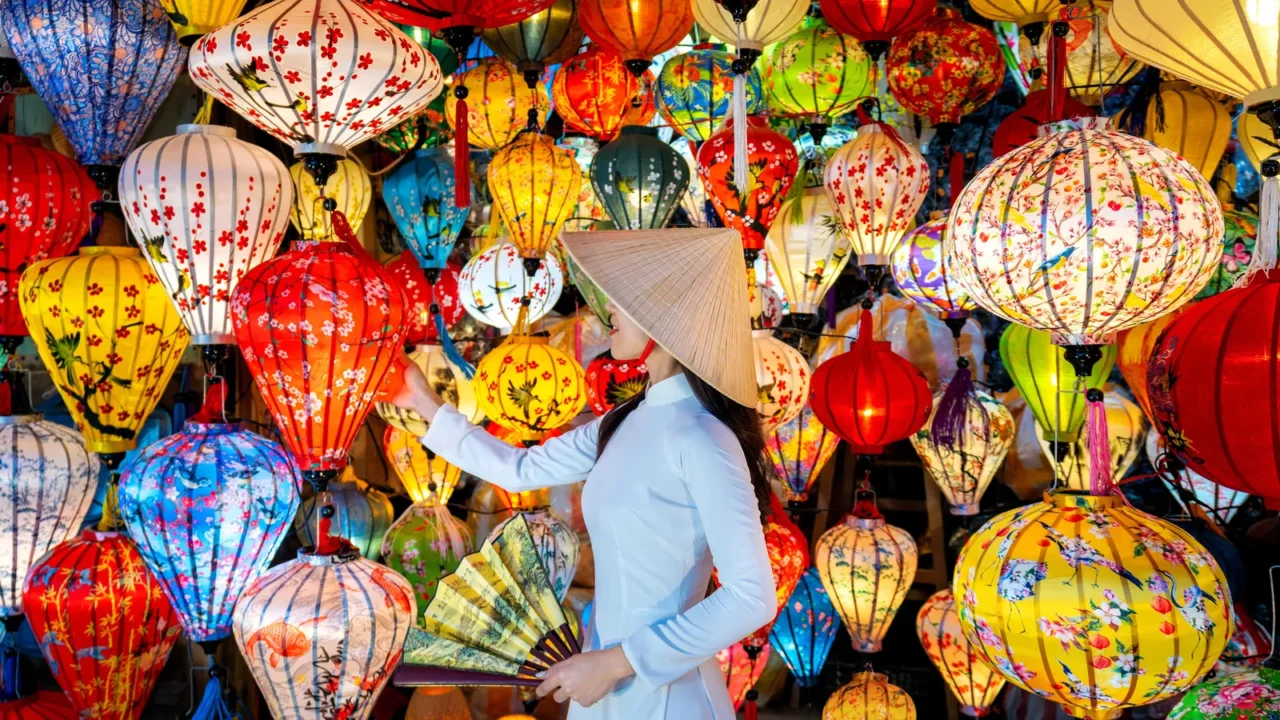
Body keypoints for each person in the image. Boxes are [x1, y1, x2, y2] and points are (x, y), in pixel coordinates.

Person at [391, 228, 777, 719]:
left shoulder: (701, 437)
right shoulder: (624, 421)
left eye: (624, 299)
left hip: (664, 695)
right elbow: (518, 469)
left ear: (666, 316)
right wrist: (422, 400)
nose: (608, 310)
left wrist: (618, 662)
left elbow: (751, 597)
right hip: (600, 683)